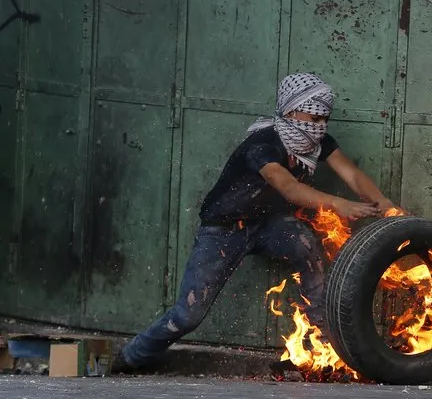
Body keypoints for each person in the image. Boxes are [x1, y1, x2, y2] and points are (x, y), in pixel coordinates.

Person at [115, 73, 396, 371]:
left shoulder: (318, 141)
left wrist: (382, 201)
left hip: (270, 225)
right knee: (188, 315)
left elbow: (351, 174)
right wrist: (338, 203)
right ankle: (130, 357)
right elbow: (287, 187)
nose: (319, 124)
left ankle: (328, 337)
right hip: (224, 231)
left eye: (325, 117)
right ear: (290, 111)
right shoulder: (262, 144)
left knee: (306, 245)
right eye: (313, 116)